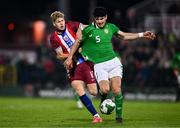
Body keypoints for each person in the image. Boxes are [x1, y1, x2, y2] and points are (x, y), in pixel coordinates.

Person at [65, 7, 156, 123]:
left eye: (102, 18)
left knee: (117, 90)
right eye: (97, 19)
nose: (100, 21)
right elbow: (77, 42)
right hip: (99, 65)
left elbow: (123, 35)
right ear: (94, 19)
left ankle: (119, 117)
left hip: (113, 62)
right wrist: (69, 57)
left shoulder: (111, 27)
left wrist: (142, 34)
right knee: (105, 89)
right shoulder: (88, 30)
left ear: (106, 17)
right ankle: (104, 98)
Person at [49, 11, 102, 123]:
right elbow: (59, 55)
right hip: (72, 66)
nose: (61, 23)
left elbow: (86, 27)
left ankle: (104, 96)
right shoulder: (53, 38)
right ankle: (96, 116)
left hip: (85, 62)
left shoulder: (72, 25)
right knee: (78, 89)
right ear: (54, 24)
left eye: (62, 20)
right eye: (58, 22)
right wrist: (73, 54)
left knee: (93, 92)